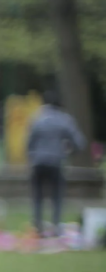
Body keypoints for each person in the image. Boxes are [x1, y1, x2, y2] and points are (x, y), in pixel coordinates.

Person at [26, 89, 87, 237]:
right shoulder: (64, 120)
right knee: (57, 196)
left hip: (38, 162)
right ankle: (56, 227)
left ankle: (38, 226)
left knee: (38, 196)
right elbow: (80, 143)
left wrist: (34, 156)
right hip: (55, 162)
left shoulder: (36, 118)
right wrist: (68, 152)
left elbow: (29, 144)